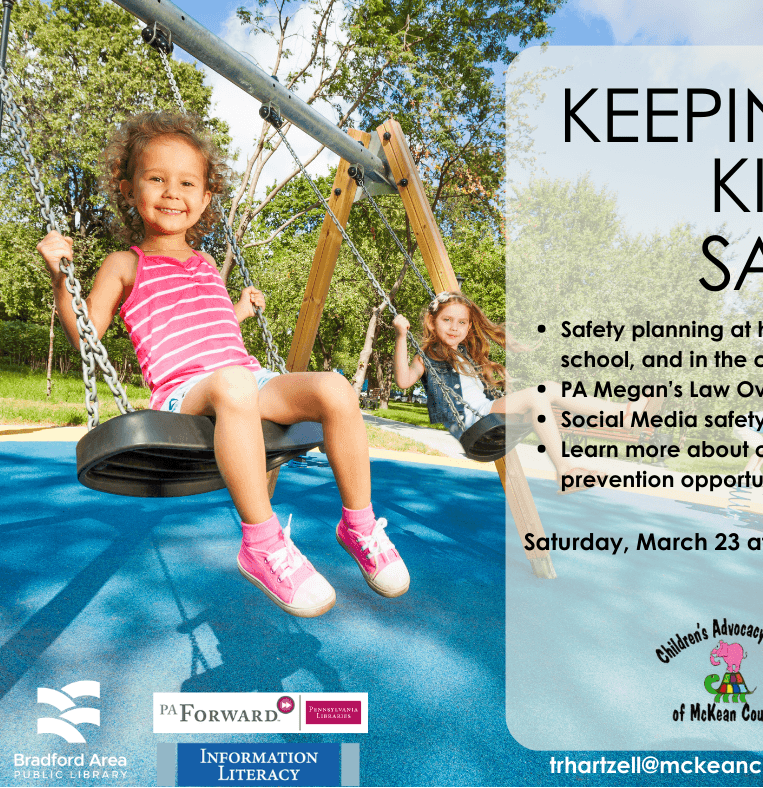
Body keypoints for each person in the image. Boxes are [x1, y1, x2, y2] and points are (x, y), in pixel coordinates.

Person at [38, 112, 409, 618]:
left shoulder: (209, 265)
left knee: (334, 387)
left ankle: (359, 524)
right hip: (181, 394)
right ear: (128, 188)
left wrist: (238, 311)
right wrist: (62, 279)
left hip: (241, 378)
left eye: (187, 182)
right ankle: (261, 543)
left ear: (206, 197)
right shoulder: (124, 264)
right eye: (156, 179)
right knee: (234, 383)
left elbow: (213, 332)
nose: (173, 192)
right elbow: (85, 335)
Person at [392, 291, 644, 493]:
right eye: (446, 320)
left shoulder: (466, 354)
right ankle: (567, 469)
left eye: (462, 322)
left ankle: (621, 416)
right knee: (538, 394)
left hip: (490, 418)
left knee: (547, 393)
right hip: (476, 424)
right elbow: (403, 381)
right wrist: (401, 336)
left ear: (469, 327)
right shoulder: (425, 358)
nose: (454, 327)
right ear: (432, 322)